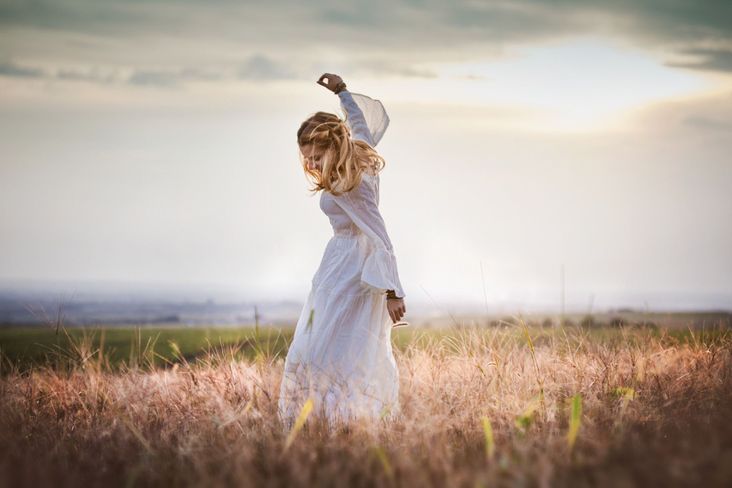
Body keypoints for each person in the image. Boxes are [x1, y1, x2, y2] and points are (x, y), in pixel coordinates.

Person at [278, 73, 407, 430]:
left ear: (334, 147)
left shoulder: (350, 185)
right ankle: (329, 421)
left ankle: (335, 422)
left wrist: (394, 291)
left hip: (351, 272)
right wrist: (342, 92)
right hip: (338, 267)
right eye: (309, 158)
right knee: (333, 344)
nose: (313, 165)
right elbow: (358, 123)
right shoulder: (358, 153)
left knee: (330, 348)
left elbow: (380, 234)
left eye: (318, 156)